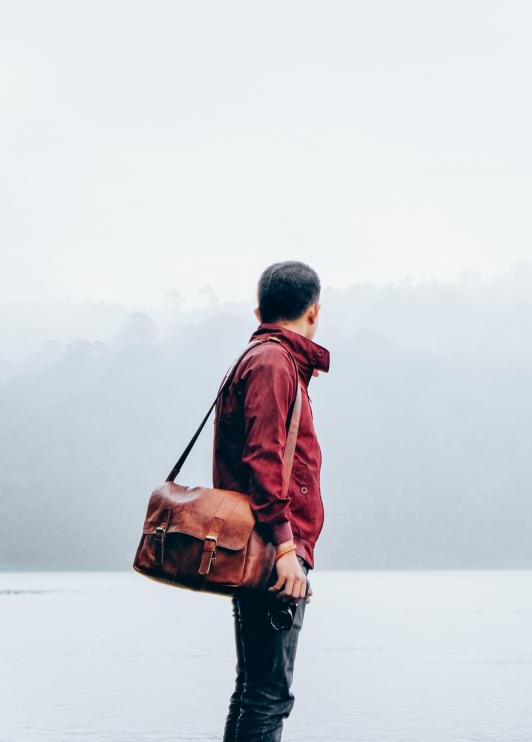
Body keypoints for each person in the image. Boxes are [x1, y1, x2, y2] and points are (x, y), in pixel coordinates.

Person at [212, 260, 331, 742]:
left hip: (261, 548)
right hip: (269, 551)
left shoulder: (264, 358)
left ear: (260, 310)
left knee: (254, 691)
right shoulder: (273, 363)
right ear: (314, 312)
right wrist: (286, 550)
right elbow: (263, 460)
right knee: (268, 697)